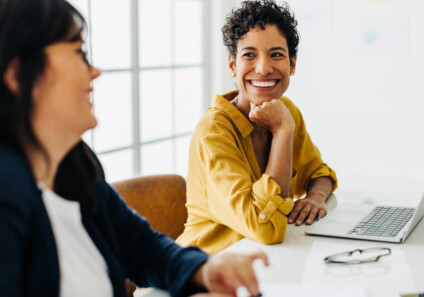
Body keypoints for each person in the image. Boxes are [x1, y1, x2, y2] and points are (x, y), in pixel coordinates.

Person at [0, 0, 268, 296]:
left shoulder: (75, 165)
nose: (94, 71)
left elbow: (139, 246)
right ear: (18, 74)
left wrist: (204, 269)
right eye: (79, 53)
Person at [176, 0, 337, 254]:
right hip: (208, 269)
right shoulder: (215, 131)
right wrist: (282, 131)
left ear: (292, 64)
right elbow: (266, 227)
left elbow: (319, 173)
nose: (263, 68)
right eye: (249, 55)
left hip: (263, 262)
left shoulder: (287, 110)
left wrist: (315, 197)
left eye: (276, 54)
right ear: (232, 65)